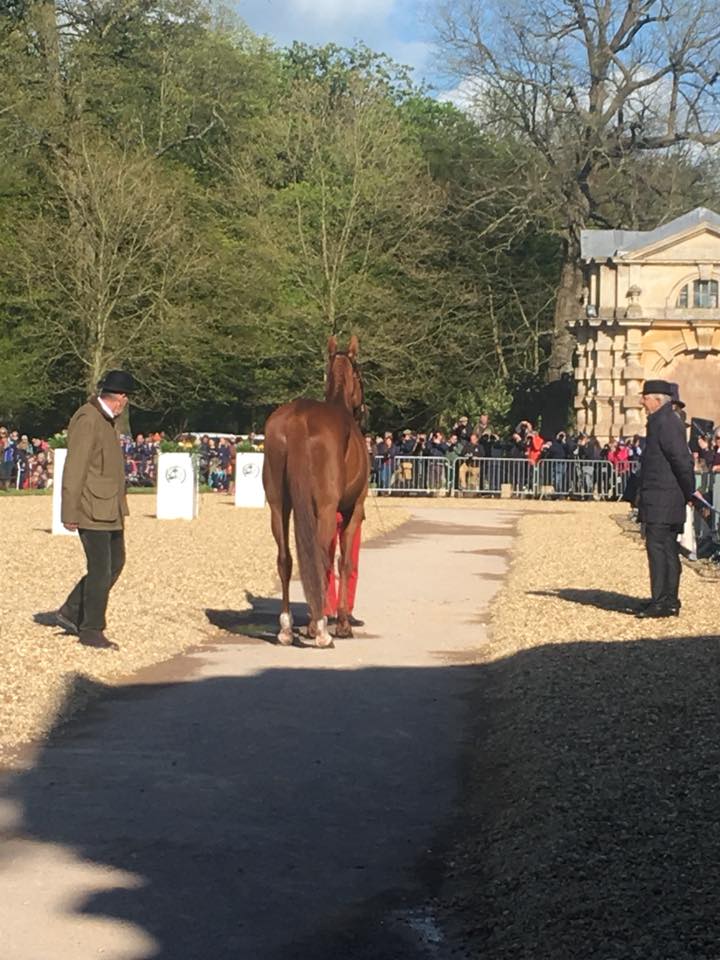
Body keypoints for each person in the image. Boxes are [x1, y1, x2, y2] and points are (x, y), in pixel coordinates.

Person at [56, 370, 137, 648]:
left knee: (116, 562)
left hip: (109, 506)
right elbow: (75, 468)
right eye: (126, 397)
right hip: (92, 507)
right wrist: (69, 511)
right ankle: (92, 629)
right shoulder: (88, 419)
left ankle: (70, 610)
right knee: (101, 568)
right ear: (120, 398)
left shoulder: (106, 420)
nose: (125, 403)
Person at [636, 379, 696, 619]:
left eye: (645, 397)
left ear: (657, 399)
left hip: (663, 497)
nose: (642, 402)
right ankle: (668, 599)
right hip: (664, 497)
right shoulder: (663, 421)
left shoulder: (666, 422)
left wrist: (689, 490)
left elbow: (681, 460)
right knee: (667, 549)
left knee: (660, 549)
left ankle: (662, 600)